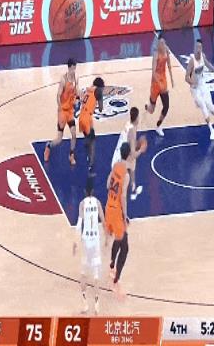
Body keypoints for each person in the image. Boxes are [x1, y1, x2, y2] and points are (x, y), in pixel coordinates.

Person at [73, 180, 105, 314]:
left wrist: (75, 242)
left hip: (86, 240)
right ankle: (97, 304)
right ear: (93, 191)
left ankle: (85, 303)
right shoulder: (97, 203)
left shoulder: (82, 204)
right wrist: (107, 238)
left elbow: (79, 225)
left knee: (83, 273)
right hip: (95, 240)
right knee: (96, 274)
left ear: (84, 191)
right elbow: (103, 220)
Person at [105, 142, 130, 296]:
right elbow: (123, 197)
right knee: (125, 248)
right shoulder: (126, 175)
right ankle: (115, 282)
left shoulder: (115, 166)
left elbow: (108, 184)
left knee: (119, 239)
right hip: (116, 212)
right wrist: (125, 215)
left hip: (108, 206)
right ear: (129, 155)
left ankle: (112, 264)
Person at [44, 58, 79, 165]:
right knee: (59, 139)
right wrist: (60, 108)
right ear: (69, 68)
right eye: (73, 68)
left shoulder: (76, 78)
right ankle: (48, 146)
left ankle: (71, 155)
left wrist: (77, 99)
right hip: (63, 111)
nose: (74, 70)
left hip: (70, 111)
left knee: (74, 135)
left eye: (75, 68)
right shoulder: (63, 79)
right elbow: (58, 95)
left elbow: (77, 91)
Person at [185, 40, 214, 140]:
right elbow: (186, 77)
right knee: (203, 107)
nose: (198, 49)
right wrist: (192, 83)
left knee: (209, 104)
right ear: (194, 48)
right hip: (195, 88)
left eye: (200, 47)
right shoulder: (192, 61)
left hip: (202, 84)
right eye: (197, 47)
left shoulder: (203, 56)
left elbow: (208, 65)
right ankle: (211, 129)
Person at [111, 107, 147, 200]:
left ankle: (133, 185)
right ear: (137, 118)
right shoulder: (132, 130)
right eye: (139, 116)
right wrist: (141, 149)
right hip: (118, 160)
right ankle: (132, 186)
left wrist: (137, 144)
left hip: (118, 154)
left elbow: (130, 144)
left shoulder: (128, 124)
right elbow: (134, 154)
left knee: (132, 161)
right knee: (133, 160)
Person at [145, 37, 174, 137]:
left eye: (163, 43)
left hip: (163, 81)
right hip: (155, 83)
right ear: (158, 44)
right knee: (151, 111)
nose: (162, 45)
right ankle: (147, 106)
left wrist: (172, 79)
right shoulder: (156, 54)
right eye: (160, 43)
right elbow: (153, 72)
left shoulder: (166, 51)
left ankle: (158, 125)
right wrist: (159, 83)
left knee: (166, 106)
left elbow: (169, 65)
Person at [78, 77, 105, 175]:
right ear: (100, 87)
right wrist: (100, 98)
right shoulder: (98, 91)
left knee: (89, 135)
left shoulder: (88, 89)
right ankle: (91, 165)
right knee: (93, 142)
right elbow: (101, 108)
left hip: (82, 116)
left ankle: (86, 145)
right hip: (87, 118)